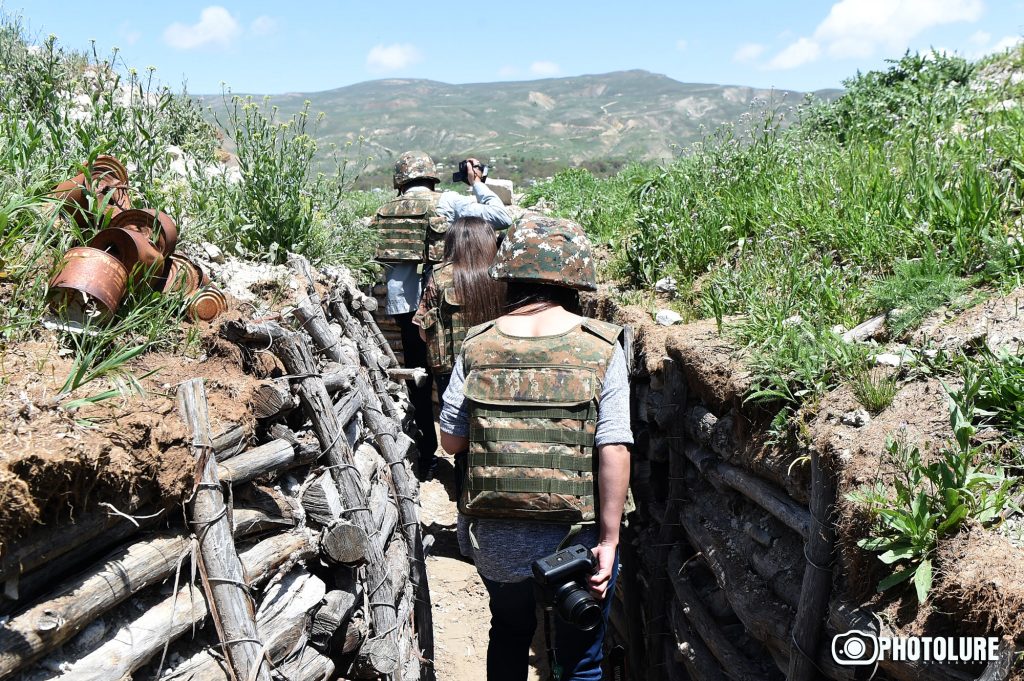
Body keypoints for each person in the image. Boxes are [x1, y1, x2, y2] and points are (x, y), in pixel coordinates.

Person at [439, 215, 632, 681]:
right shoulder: (600, 346)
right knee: (581, 656)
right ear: (576, 277)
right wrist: (608, 541)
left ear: (509, 274)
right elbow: (614, 446)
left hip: (496, 537)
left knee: (507, 631)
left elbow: (450, 439)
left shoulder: (478, 343)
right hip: (575, 539)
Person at [372, 150, 511, 479]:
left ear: (399, 180)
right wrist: (478, 184)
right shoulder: (446, 201)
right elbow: (500, 218)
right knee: (457, 376)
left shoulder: (384, 212)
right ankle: (467, 450)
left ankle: (426, 456)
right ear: (431, 176)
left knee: (419, 383)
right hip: (446, 304)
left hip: (406, 312)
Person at [413, 216, 505, 499]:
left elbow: (421, 329)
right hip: (498, 367)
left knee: (459, 433)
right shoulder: (502, 274)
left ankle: (466, 492)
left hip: (451, 370)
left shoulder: (439, 277)